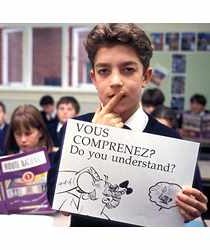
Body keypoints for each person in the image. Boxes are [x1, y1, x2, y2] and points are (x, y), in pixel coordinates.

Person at [48, 23, 208, 227]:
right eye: (104, 71)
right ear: (94, 78)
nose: (115, 81)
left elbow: (193, 206)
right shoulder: (75, 129)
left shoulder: (172, 141)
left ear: (145, 77)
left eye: (128, 69)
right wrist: (94, 139)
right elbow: (57, 200)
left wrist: (192, 207)